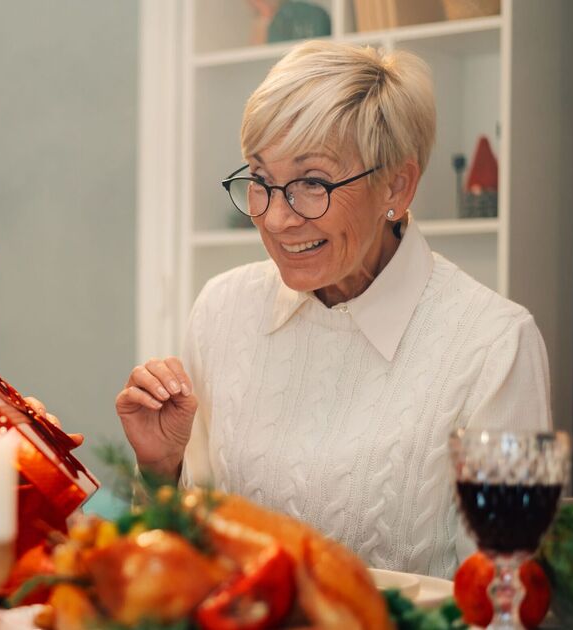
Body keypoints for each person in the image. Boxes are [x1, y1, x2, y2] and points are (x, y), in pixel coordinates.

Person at [114, 41, 550, 579]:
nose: (276, 219)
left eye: (312, 183)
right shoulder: (221, 310)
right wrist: (162, 470)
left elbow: (507, 601)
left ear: (397, 185)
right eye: (261, 182)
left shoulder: (494, 346)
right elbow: (182, 567)